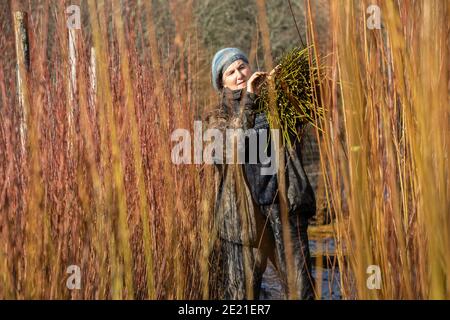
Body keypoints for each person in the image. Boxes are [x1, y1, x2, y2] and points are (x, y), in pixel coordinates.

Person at [206, 47, 316, 300]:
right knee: (240, 297)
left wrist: (288, 86)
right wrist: (250, 100)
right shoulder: (217, 117)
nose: (239, 74)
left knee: (301, 290)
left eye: (241, 66)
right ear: (221, 83)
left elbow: (312, 110)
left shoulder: (275, 101)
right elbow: (232, 147)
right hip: (242, 219)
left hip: (284, 207)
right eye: (230, 72)